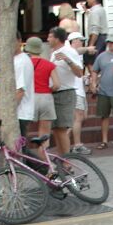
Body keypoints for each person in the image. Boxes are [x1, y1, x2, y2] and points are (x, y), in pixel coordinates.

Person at [47, 26, 83, 156]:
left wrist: (67, 60)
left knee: (62, 129)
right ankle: (61, 158)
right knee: (56, 129)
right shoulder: (53, 54)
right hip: (54, 93)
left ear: (57, 39)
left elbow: (79, 73)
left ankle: (66, 162)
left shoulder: (69, 51)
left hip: (65, 93)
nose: (48, 39)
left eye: (50, 37)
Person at [24, 36, 60, 149]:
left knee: (25, 129)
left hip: (29, 98)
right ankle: (44, 159)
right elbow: (57, 85)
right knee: (44, 134)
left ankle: (24, 155)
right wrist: (49, 89)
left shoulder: (24, 64)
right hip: (45, 98)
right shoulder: (49, 65)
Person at [67, 31, 91, 155]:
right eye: (80, 40)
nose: (82, 42)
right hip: (75, 90)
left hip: (79, 89)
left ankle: (65, 142)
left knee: (79, 117)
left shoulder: (76, 55)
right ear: (74, 41)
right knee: (78, 117)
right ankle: (76, 145)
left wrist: (85, 79)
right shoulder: (69, 52)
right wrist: (88, 48)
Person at [13, 32, 35, 138]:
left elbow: (20, 91)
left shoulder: (21, 62)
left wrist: (10, 111)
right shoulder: (16, 60)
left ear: (19, 41)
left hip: (20, 112)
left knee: (20, 149)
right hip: (21, 112)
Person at [84, 0, 108, 67]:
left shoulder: (95, 12)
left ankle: (94, 78)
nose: (87, 0)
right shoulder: (101, 9)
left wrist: (91, 45)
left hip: (97, 38)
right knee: (98, 60)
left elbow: (95, 29)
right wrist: (86, 11)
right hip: (103, 38)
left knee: (89, 60)